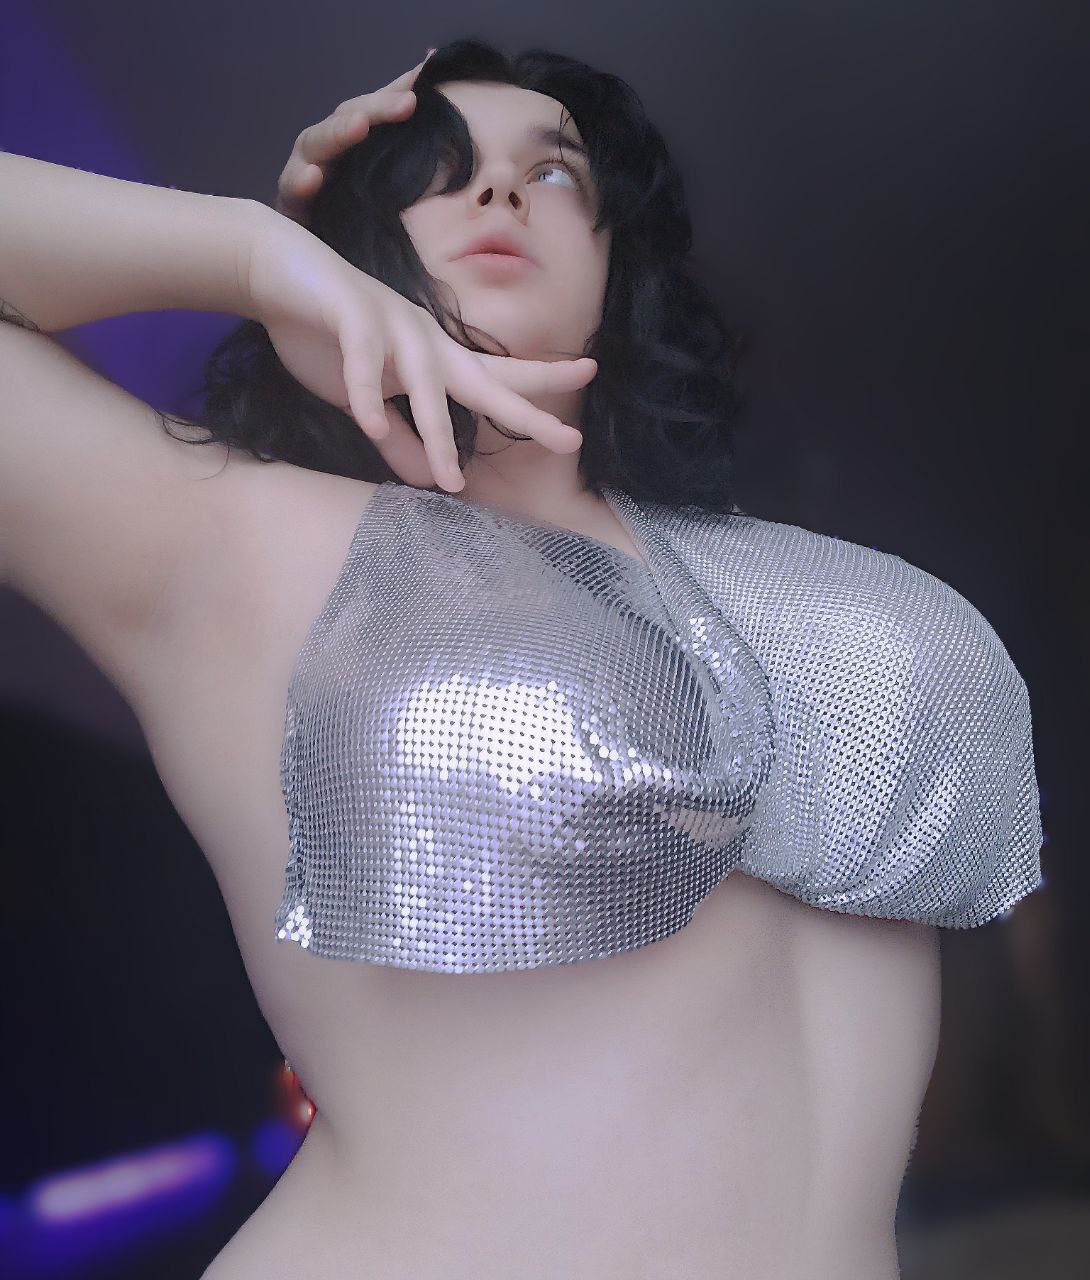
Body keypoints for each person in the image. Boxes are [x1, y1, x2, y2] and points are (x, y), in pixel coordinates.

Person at [0, 38, 1042, 1280]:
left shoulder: (808, 581)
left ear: (614, 257)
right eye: (433, 169)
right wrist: (248, 251)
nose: (497, 189)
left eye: (552, 171)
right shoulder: (232, 542)